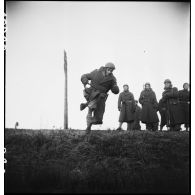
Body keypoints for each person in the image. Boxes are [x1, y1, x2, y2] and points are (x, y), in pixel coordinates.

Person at [80, 62, 119, 134]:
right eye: (109, 69)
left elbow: (115, 88)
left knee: (99, 118)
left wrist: (115, 88)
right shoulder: (96, 72)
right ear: (105, 68)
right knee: (91, 109)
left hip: (101, 97)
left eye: (112, 70)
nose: (110, 71)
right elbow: (84, 76)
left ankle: (90, 122)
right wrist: (85, 81)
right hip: (91, 93)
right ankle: (88, 128)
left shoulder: (112, 79)